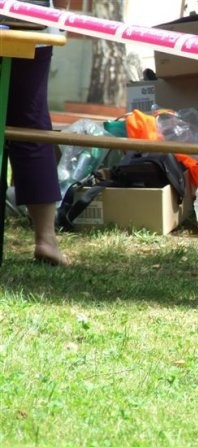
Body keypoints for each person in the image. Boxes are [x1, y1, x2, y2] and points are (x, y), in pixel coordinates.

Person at [6, 0, 69, 266]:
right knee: (30, 125)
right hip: (33, 25)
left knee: (29, 126)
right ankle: (46, 239)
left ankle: (46, 240)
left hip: (32, 23)